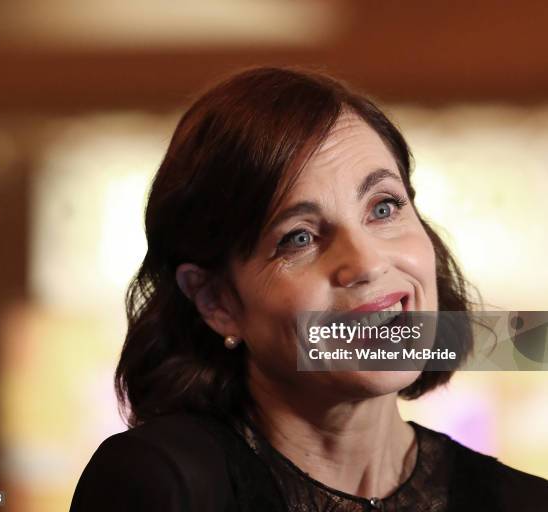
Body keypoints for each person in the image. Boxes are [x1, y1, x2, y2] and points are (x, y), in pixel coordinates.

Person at [70, 67, 548, 511]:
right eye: (298, 238)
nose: (365, 263)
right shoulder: (161, 485)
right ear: (217, 301)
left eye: (383, 208)